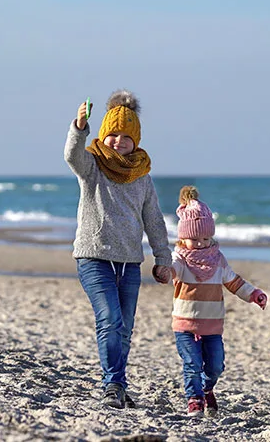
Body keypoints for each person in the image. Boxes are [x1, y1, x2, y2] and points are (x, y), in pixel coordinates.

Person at [64, 89, 173, 409]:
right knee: (110, 319)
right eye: (112, 134)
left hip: (129, 262)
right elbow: (71, 155)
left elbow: (153, 219)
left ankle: (119, 386)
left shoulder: (142, 176)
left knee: (125, 328)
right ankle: (112, 385)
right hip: (93, 256)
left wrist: (163, 258)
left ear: (135, 140)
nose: (118, 141)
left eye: (126, 136)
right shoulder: (91, 166)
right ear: (103, 135)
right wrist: (79, 128)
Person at [169, 186, 268, 417]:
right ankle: (194, 400)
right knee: (192, 364)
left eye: (205, 237)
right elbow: (170, 270)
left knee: (215, 366)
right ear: (183, 237)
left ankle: (206, 388)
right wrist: (162, 271)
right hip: (185, 324)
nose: (201, 243)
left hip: (212, 325)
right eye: (194, 238)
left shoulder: (217, 260)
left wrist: (253, 294)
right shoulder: (180, 258)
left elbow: (234, 282)